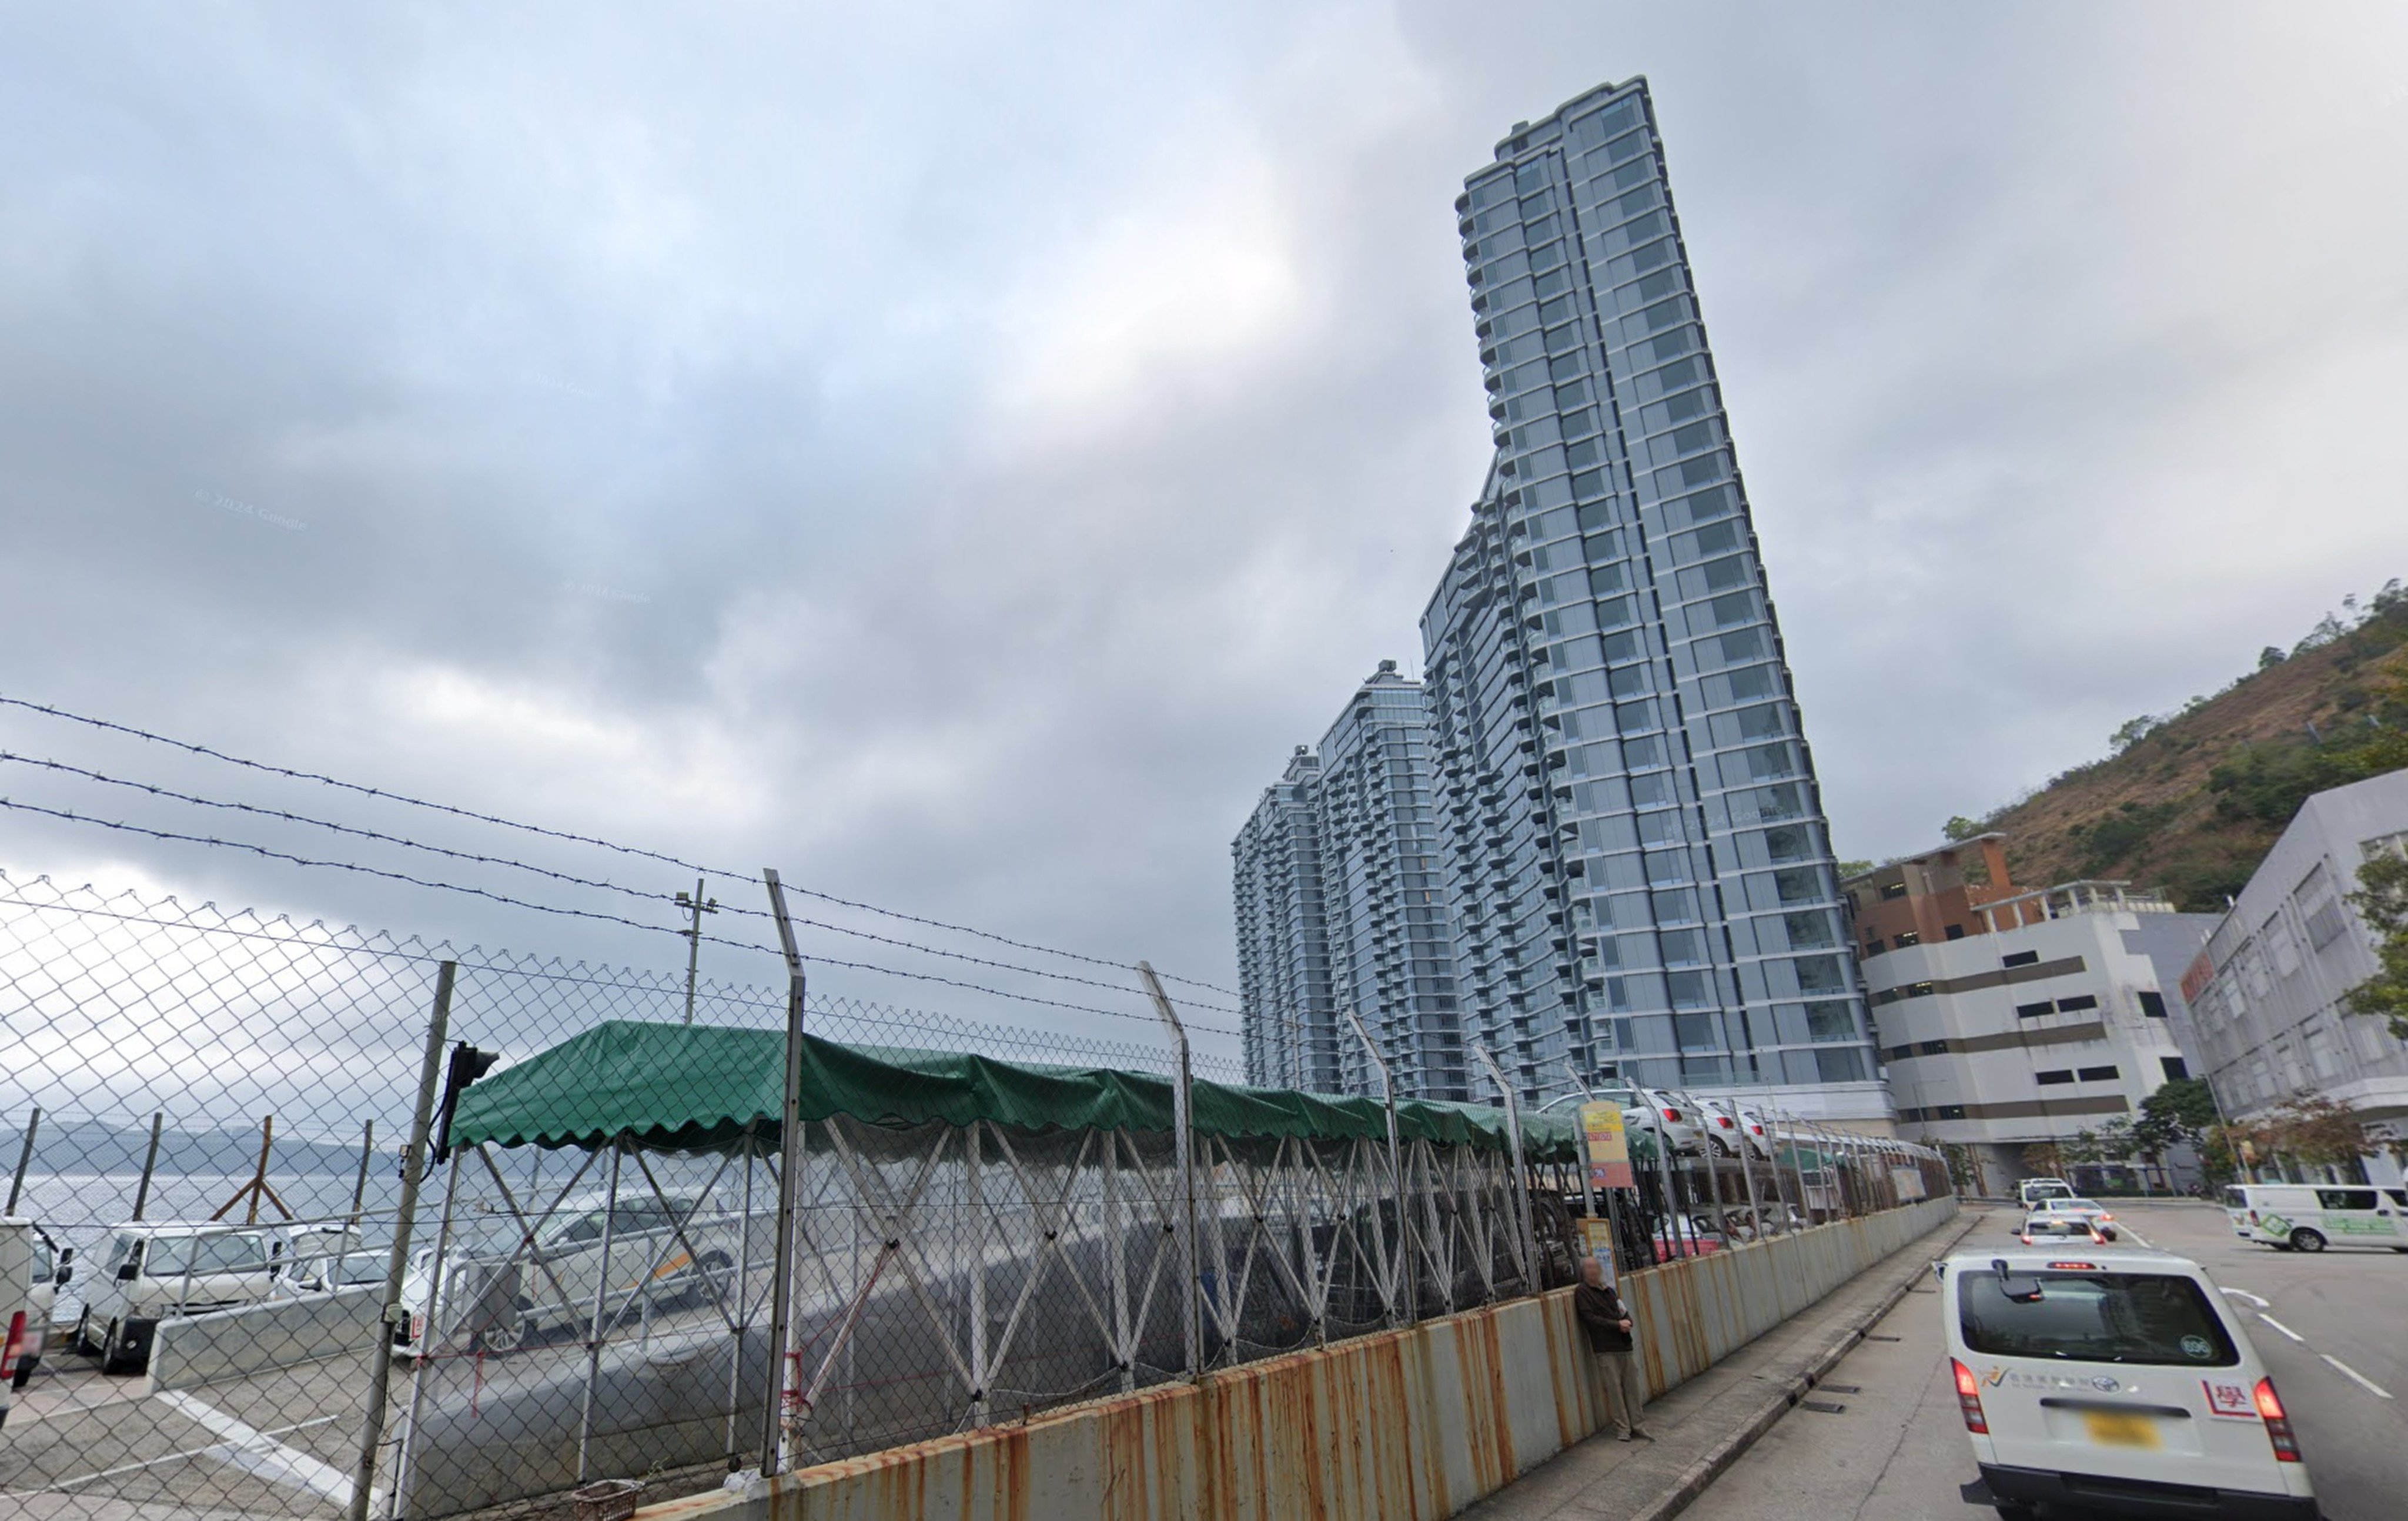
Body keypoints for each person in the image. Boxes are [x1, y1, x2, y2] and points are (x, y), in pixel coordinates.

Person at [1574, 1255, 1651, 1441]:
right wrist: (1618, 1325)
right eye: (1590, 1268)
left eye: (1596, 1267)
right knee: (1615, 1390)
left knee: (1632, 1388)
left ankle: (1638, 1425)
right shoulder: (1583, 1292)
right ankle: (1623, 1428)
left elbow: (1623, 1311)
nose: (1593, 1271)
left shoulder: (1608, 1291)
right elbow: (1590, 1319)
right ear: (1584, 1272)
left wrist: (1628, 1323)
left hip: (1624, 1345)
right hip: (1606, 1348)